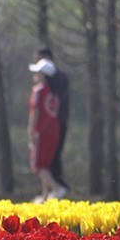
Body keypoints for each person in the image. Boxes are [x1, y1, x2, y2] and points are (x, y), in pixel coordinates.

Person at [27, 58, 66, 203]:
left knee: (37, 166)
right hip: (54, 131)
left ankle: (57, 189)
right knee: (46, 165)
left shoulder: (38, 90)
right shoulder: (54, 93)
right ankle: (44, 196)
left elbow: (35, 112)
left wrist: (31, 130)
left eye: (38, 72)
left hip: (41, 132)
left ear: (44, 75)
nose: (35, 74)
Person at [37, 47, 70, 198]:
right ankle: (48, 191)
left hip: (54, 123)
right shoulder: (58, 77)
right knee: (49, 158)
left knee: (50, 158)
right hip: (55, 122)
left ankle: (57, 186)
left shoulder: (55, 78)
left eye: (39, 59)